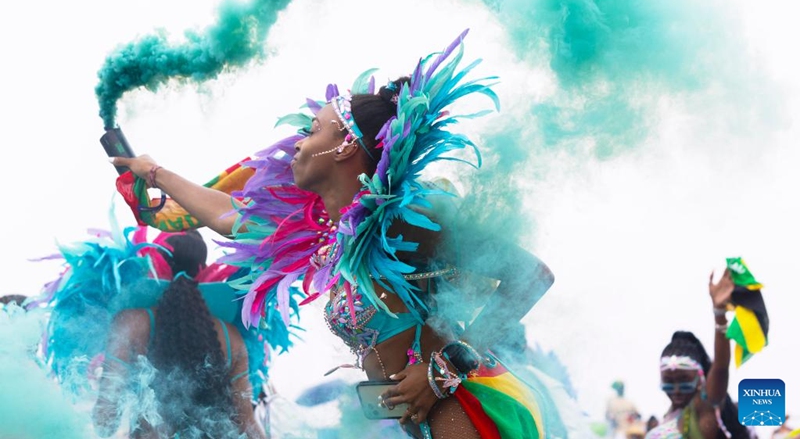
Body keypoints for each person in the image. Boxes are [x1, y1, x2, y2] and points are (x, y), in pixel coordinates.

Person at [111, 30, 558, 438]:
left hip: (462, 407)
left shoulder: (407, 216)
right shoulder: (328, 239)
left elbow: (531, 275)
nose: (298, 145)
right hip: (421, 421)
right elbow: (229, 215)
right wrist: (154, 173)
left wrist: (445, 367)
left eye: (313, 131)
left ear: (344, 145)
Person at [92, 230, 264, 439]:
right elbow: (246, 424)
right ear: (202, 272)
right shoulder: (232, 337)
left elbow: (105, 419)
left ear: (155, 267)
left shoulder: (130, 324)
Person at [645, 268, 750, 439]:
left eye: (684, 380)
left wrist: (719, 313)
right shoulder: (666, 420)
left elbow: (721, 366)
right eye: (669, 382)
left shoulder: (702, 411)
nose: (677, 390)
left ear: (701, 379)